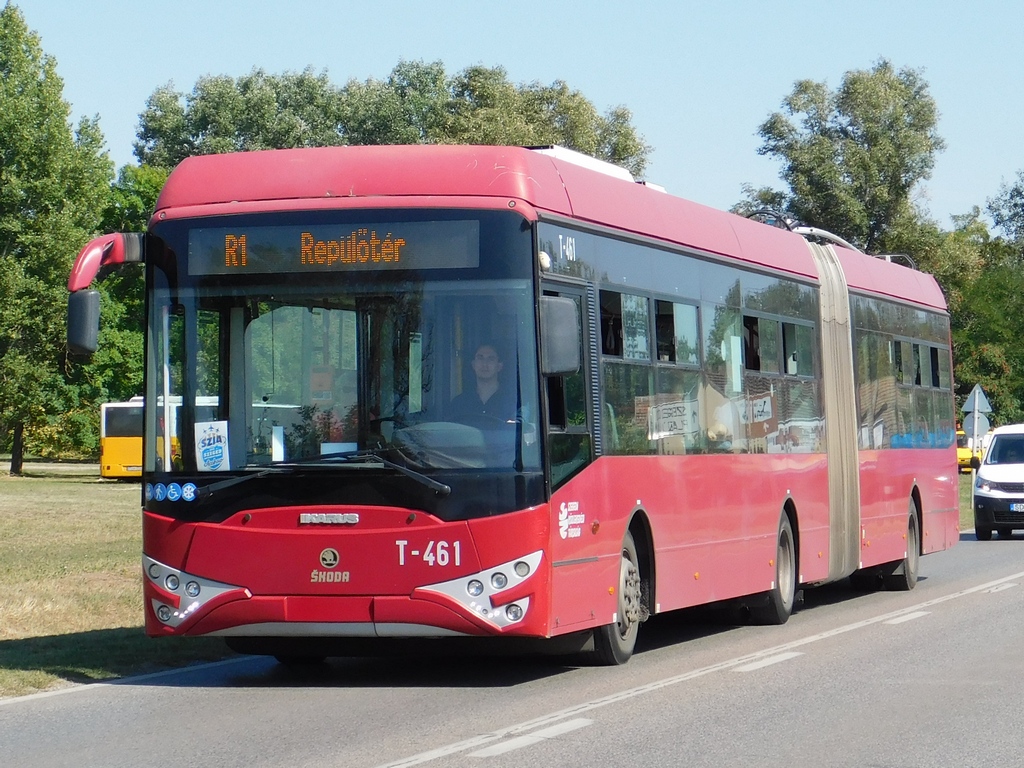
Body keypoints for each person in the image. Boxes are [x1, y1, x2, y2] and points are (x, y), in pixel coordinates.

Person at [449, 343, 517, 424]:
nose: (485, 364)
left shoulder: (513, 402)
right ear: (473, 365)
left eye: (491, 359)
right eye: (480, 358)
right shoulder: (459, 403)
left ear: (499, 366)